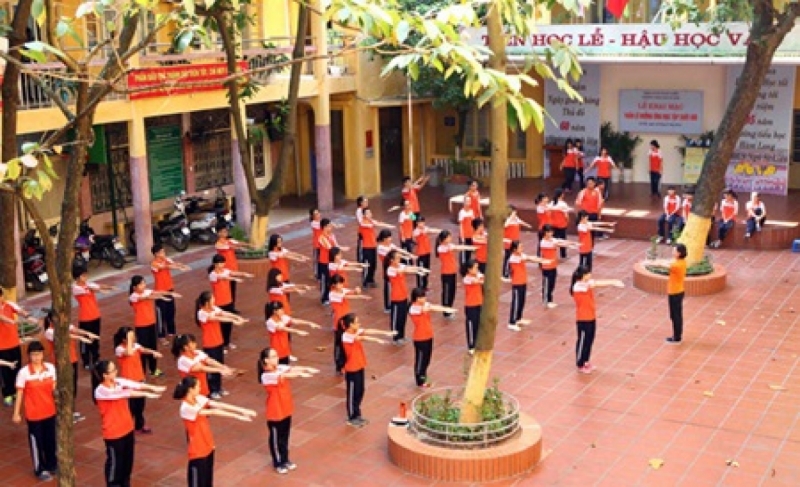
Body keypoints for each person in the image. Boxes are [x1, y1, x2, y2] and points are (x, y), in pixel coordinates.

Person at [93, 359, 165, 487]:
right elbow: (123, 393)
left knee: (127, 464)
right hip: (113, 434)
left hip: (127, 429)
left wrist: (152, 387)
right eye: (113, 370)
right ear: (105, 375)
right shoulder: (100, 390)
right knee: (115, 465)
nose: (116, 372)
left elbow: (134, 384)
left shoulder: (118, 382)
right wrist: (148, 394)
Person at [174, 375, 255, 487]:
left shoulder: (198, 398)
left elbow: (217, 404)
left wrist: (242, 410)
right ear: (190, 389)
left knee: (207, 481)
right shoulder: (186, 407)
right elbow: (213, 411)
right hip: (197, 451)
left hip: (208, 445)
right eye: (198, 386)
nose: (200, 388)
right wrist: (237, 416)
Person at [258, 347, 318, 474]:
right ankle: (277, 462)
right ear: (266, 360)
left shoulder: (279, 367)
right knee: (276, 438)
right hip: (275, 411)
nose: (277, 358)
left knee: (285, 436)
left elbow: (292, 368)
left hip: (285, 408)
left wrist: (307, 369)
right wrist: (301, 374)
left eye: (276, 355)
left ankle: (285, 459)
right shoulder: (266, 375)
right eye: (273, 356)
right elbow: (285, 375)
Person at [12, 341, 57, 481]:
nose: (36, 357)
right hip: (34, 415)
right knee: (37, 443)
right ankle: (39, 469)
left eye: (38, 354)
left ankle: (52, 464)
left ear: (43, 354)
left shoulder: (50, 369)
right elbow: (20, 393)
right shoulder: (24, 373)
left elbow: (54, 389)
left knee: (51, 441)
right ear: (29, 356)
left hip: (50, 412)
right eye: (33, 355)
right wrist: (16, 412)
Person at [43, 309, 96, 423]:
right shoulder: (49, 331)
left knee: (72, 386)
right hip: (61, 362)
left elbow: (75, 330)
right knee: (64, 387)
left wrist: (87, 333)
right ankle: (63, 413)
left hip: (72, 359)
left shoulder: (65, 325)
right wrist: (81, 338)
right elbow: (66, 336)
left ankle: (70, 411)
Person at [569, 266, 625, 374]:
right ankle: (580, 363)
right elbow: (597, 283)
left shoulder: (586, 283)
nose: (590, 275)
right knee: (583, 341)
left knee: (590, 340)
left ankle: (586, 360)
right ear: (582, 275)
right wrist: (613, 282)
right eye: (588, 274)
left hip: (591, 316)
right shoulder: (578, 286)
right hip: (583, 318)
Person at [340, 313, 392, 427]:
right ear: (350, 325)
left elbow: (369, 331)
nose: (359, 324)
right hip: (352, 368)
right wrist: (377, 341)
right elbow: (362, 337)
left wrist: (385, 333)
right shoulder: (346, 336)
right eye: (357, 322)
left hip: (359, 366)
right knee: (352, 393)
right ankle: (352, 416)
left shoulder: (354, 332)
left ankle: (357, 414)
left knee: (360, 390)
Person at [196, 291, 249, 399]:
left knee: (220, 364)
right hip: (210, 344)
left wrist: (237, 317)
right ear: (206, 302)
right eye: (212, 299)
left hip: (218, 342)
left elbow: (224, 313)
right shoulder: (201, 313)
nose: (214, 300)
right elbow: (217, 318)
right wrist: (233, 321)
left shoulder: (214, 308)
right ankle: (212, 389)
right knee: (212, 368)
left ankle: (219, 387)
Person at [129, 275, 181, 378]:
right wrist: (160, 297)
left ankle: (153, 369)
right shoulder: (133, 296)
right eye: (140, 284)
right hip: (141, 326)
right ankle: (142, 372)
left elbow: (157, 292)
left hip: (151, 324)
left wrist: (169, 293)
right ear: (135, 287)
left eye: (144, 283)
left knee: (153, 347)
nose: (143, 285)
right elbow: (147, 297)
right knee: (143, 349)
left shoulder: (147, 291)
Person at [113, 326, 162, 434]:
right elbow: (129, 352)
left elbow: (143, 349)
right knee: (130, 408)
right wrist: (130, 340)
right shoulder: (120, 349)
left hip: (139, 379)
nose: (133, 337)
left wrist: (153, 352)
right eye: (130, 336)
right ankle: (127, 429)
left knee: (140, 406)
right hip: (128, 382)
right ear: (124, 339)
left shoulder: (135, 346)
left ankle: (139, 426)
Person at [408, 288, 456, 388]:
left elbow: (433, 306)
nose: (424, 298)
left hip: (429, 335)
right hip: (420, 338)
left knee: (427, 359)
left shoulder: (423, 305)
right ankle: (419, 380)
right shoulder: (413, 308)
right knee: (420, 359)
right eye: (422, 297)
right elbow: (429, 308)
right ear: (416, 298)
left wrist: (445, 309)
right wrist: (445, 309)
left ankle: (424, 376)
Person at [208, 254, 253, 352]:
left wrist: (244, 274)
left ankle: (227, 342)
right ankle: (222, 344)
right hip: (219, 302)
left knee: (228, 323)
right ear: (215, 264)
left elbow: (234, 273)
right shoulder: (213, 274)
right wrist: (234, 279)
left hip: (228, 300)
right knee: (221, 324)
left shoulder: (225, 271)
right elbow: (223, 278)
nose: (222, 264)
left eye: (223, 262)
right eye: (220, 263)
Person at [72, 266, 115, 368]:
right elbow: (92, 288)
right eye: (83, 276)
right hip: (85, 318)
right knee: (85, 340)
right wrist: (99, 289)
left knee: (96, 339)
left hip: (95, 315)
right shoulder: (76, 288)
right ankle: (86, 361)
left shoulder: (88, 284)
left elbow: (97, 286)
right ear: (77, 278)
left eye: (86, 275)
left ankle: (96, 358)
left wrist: (109, 287)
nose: (86, 277)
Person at [385, 249, 429, 345]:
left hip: (404, 296)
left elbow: (408, 268)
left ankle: (402, 335)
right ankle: (395, 337)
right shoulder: (390, 269)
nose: (399, 260)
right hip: (396, 298)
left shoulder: (400, 266)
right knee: (396, 318)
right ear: (392, 260)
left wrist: (419, 269)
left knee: (403, 317)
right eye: (397, 258)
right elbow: (404, 270)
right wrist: (418, 270)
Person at [172, 333, 237, 398]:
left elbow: (209, 361)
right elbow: (201, 368)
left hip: (202, 388)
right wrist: (220, 370)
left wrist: (223, 367)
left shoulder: (198, 352)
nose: (195, 344)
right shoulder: (183, 360)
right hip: (192, 392)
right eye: (193, 342)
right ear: (186, 347)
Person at [329, 274, 371, 371]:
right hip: (339, 322)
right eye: (339, 284)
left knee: (347, 345)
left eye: (341, 283)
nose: (341, 286)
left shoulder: (342, 290)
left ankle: (345, 363)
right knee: (339, 345)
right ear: (334, 285)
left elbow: (351, 292)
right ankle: (339, 365)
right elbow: (349, 296)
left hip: (347, 321)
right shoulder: (333, 294)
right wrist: (360, 296)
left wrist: (357, 291)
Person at [151, 244, 191, 345]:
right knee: (161, 315)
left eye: (164, 252)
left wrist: (182, 266)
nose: (164, 254)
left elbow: (174, 264)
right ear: (156, 254)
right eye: (162, 252)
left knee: (171, 311)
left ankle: (171, 332)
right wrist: (177, 268)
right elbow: (165, 267)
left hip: (170, 290)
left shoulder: (166, 259)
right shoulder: (154, 264)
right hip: (160, 292)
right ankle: (161, 336)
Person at [505, 241, 549, 331]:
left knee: (522, 301)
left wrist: (541, 259)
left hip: (522, 282)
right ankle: (512, 322)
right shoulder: (513, 258)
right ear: (514, 249)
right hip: (516, 283)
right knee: (516, 302)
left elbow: (530, 257)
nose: (522, 249)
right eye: (520, 247)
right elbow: (529, 259)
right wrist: (542, 260)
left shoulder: (520, 255)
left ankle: (518, 318)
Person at [0, 289, 33, 407]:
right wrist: (10, 320)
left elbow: (20, 311)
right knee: (4, 372)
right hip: (1, 346)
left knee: (17, 368)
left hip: (14, 343)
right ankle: (7, 394)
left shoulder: (9, 304)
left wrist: (28, 317)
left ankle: (15, 391)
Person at [651, 244, 688, 344]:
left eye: (674, 251)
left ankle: (677, 337)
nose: (673, 252)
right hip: (677, 291)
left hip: (675, 292)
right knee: (676, 314)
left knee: (675, 315)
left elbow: (663, 265)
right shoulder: (681, 262)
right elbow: (667, 262)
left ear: (679, 253)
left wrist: (649, 263)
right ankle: (677, 335)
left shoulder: (677, 265)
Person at [435, 230, 475, 320]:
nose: (450, 238)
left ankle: (449, 309)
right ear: (443, 239)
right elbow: (457, 247)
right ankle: (446, 311)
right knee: (447, 292)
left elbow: (457, 247)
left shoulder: (449, 246)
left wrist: (469, 248)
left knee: (452, 291)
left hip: (452, 272)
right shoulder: (441, 248)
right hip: (446, 273)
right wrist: (469, 248)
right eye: (448, 237)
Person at [265, 301, 320, 365]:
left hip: (285, 349)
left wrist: (309, 323)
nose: (283, 310)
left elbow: (295, 321)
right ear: (275, 311)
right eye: (281, 309)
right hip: (277, 351)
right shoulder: (270, 322)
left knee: (285, 367)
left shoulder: (283, 317)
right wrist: (297, 331)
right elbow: (282, 328)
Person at [215, 223, 255, 308]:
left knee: (233, 288)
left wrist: (249, 245)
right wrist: (238, 247)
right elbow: (228, 247)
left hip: (233, 269)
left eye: (226, 231)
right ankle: (226, 306)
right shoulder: (218, 244)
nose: (225, 233)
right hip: (224, 270)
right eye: (223, 231)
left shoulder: (229, 240)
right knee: (226, 289)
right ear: (218, 233)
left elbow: (238, 243)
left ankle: (232, 306)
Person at [539, 224, 578, 308]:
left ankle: (550, 299)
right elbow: (559, 243)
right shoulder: (544, 242)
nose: (551, 234)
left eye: (551, 232)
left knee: (552, 283)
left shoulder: (552, 240)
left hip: (553, 265)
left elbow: (561, 241)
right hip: (546, 266)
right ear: (545, 233)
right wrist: (570, 245)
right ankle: (546, 301)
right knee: (547, 284)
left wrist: (573, 243)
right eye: (549, 232)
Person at [377, 230, 415, 313]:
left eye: (390, 237)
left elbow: (399, 250)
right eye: (388, 237)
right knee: (388, 288)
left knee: (396, 286)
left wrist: (409, 254)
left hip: (395, 269)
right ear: (384, 239)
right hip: (388, 270)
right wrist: (406, 256)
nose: (390, 239)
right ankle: (387, 306)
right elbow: (392, 255)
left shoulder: (391, 245)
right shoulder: (381, 248)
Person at [358, 207, 393, 288]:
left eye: (370, 213)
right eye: (367, 213)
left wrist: (388, 225)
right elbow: (374, 224)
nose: (370, 215)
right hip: (366, 247)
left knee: (373, 265)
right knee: (367, 265)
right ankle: (365, 281)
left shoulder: (371, 221)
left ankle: (371, 279)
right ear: (364, 215)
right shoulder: (363, 223)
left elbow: (378, 223)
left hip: (373, 246)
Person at [317, 218, 350, 305]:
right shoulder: (321, 237)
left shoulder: (332, 235)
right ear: (324, 227)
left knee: (332, 279)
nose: (331, 228)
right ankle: (324, 298)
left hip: (331, 261)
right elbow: (330, 247)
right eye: (329, 226)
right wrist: (342, 248)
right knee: (325, 280)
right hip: (324, 262)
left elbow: (336, 245)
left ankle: (330, 295)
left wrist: (340, 248)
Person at [502, 205, 533, 278]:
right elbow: (505, 225)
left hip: (515, 241)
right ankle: (505, 273)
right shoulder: (507, 220)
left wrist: (528, 225)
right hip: (508, 242)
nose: (515, 213)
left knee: (514, 257)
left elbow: (521, 222)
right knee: (508, 257)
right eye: (514, 211)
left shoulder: (516, 218)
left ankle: (511, 271)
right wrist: (510, 217)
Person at [412, 215, 441, 291]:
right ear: (417, 223)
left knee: (426, 269)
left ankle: (424, 286)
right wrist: (423, 231)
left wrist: (439, 231)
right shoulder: (416, 231)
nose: (422, 224)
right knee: (420, 270)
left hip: (427, 252)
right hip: (420, 253)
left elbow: (431, 230)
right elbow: (416, 234)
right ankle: (419, 287)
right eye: (420, 222)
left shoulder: (425, 229)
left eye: (423, 222)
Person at [462, 260, 484, 354]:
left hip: (479, 303)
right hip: (470, 306)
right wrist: (480, 276)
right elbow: (478, 281)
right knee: (471, 325)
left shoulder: (476, 275)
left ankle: (476, 343)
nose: (477, 269)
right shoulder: (467, 278)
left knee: (478, 324)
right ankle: (471, 346)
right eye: (475, 267)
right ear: (469, 269)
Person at [575, 177, 604, 242]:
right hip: (585, 216)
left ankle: (591, 248)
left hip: (593, 215)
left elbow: (599, 204)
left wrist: (599, 215)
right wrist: (578, 215)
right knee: (584, 233)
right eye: (588, 183)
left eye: (591, 183)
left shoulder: (597, 192)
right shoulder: (583, 192)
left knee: (592, 233)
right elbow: (577, 203)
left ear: (594, 183)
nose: (589, 185)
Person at [549, 189, 571, 259]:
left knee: (553, 240)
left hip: (553, 224)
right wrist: (568, 221)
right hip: (561, 224)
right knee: (563, 240)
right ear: (561, 195)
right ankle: (563, 255)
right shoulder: (563, 204)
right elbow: (566, 215)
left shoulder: (551, 203)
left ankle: (552, 254)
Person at [457, 196, 476, 265]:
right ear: (464, 202)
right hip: (464, 236)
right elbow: (461, 225)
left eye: (469, 201)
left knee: (469, 252)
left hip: (470, 235)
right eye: (467, 201)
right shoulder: (461, 212)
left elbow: (473, 224)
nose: (468, 203)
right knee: (463, 253)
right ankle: (463, 268)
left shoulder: (471, 211)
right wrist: (462, 237)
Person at [309, 208, 323, 280]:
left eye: (318, 213)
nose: (318, 215)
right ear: (312, 216)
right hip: (317, 244)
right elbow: (321, 226)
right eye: (315, 214)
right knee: (317, 259)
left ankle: (321, 272)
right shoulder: (313, 223)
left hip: (323, 243)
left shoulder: (321, 221)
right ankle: (317, 274)